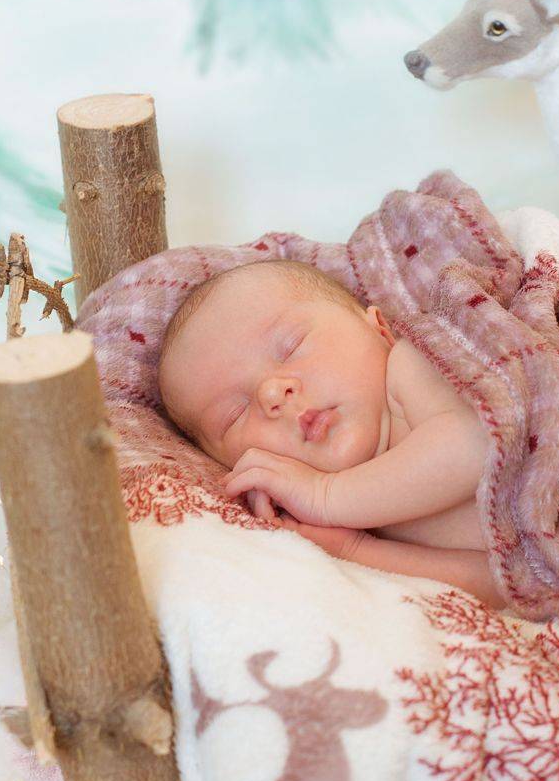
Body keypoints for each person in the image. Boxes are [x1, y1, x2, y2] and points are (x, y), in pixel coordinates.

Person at [157, 258, 507, 609]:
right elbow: (505, 582)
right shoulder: (359, 514)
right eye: (234, 415)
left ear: (378, 329)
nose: (272, 393)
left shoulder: (410, 365)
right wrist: (356, 550)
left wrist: (324, 495)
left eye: (291, 346)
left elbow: (477, 444)